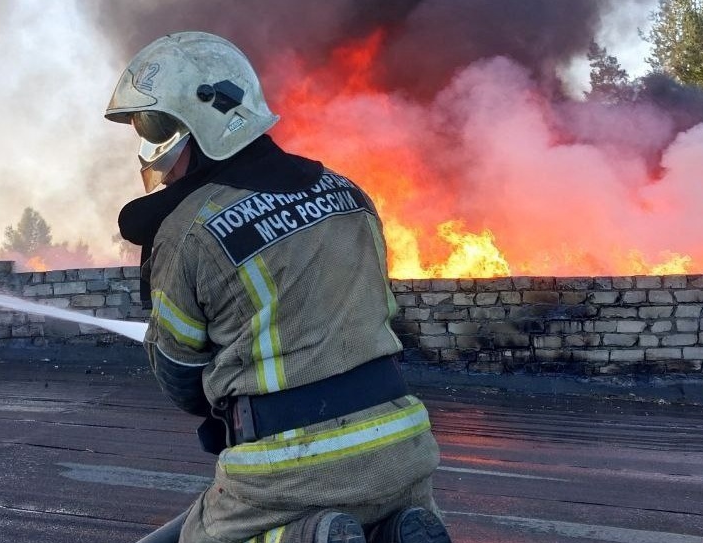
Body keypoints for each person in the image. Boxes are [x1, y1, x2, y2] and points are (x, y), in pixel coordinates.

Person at [107, 31, 452, 543]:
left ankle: (304, 538)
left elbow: (180, 374)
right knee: (382, 520)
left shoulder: (188, 230)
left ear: (204, 121)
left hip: (287, 469)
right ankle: (394, 532)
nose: (152, 152)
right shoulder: (348, 193)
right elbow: (379, 312)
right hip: (403, 445)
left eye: (156, 127)